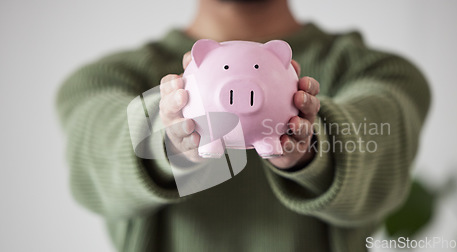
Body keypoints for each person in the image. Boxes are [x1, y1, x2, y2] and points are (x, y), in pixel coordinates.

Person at [56, 0, 431, 251]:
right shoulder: (102, 80)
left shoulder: (383, 74)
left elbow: (383, 132)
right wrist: (166, 132)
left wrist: (308, 142)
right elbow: (95, 145)